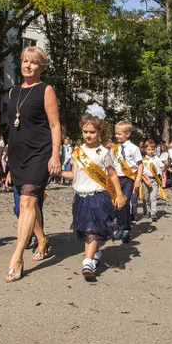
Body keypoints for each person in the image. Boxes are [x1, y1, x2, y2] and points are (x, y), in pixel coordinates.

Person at [5, 46, 61, 282]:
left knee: (28, 200)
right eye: (24, 61)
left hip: (39, 153)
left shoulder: (46, 90)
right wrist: (8, 164)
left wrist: (55, 155)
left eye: (34, 62)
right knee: (28, 204)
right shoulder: (12, 92)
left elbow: (55, 125)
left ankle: (17, 257)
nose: (28, 65)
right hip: (17, 155)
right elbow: (11, 128)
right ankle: (42, 238)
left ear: (41, 66)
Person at [60, 107, 125, 280]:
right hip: (81, 198)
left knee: (92, 229)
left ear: (99, 132)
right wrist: (58, 172)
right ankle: (94, 254)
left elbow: (112, 175)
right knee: (86, 228)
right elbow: (73, 175)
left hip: (99, 197)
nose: (88, 135)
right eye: (85, 131)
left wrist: (119, 194)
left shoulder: (104, 152)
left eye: (92, 132)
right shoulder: (78, 152)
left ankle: (87, 262)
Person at [111, 120, 143, 244]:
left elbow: (140, 165)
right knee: (117, 203)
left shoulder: (134, 148)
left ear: (127, 134)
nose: (117, 136)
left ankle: (126, 230)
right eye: (116, 134)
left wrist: (138, 179)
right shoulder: (115, 149)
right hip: (117, 179)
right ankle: (119, 227)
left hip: (128, 179)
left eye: (119, 134)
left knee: (125, 202)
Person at [142, 140, 163, 221]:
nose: (150, 151)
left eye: (152, 149)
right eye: (149, 150)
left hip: (154, 180)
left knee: (153, 197)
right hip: (145, 180)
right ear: (145, 150)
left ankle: (153, 213)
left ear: (155, 150)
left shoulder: (157, 159)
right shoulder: (143, 160)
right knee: (146, 197)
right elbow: (142, 171)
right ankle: (146, 211)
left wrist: (163, 171)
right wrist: (146, 180)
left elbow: (161, 168)